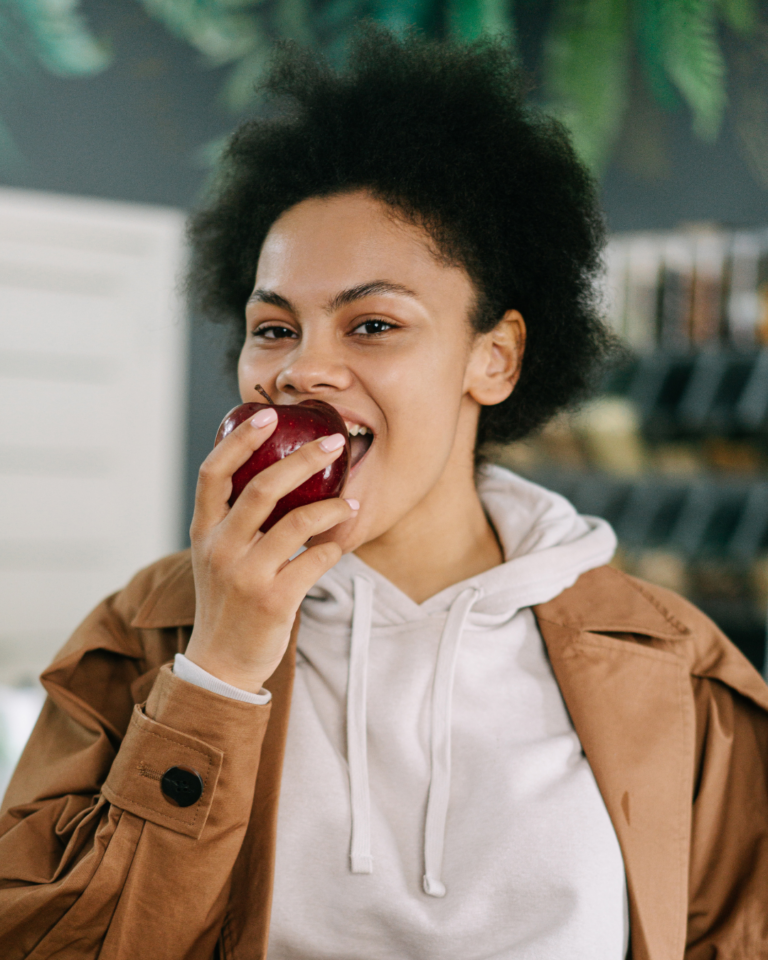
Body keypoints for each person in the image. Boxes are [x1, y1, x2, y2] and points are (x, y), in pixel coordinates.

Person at [1, 24, 767, 960]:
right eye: (274, 329)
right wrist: (219, 674)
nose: (302, 370)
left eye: (370, 324)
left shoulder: (677, 671)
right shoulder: (139, 636)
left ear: (496, 357)